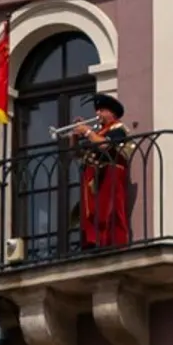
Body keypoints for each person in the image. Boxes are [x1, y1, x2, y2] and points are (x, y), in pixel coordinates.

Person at [68, 94, 132, 249]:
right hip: (94, 180)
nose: (98, 114)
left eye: (102, 110)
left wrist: (87, 132)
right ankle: (93, 243)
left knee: (109, 212)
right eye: (97, 110)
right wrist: (74, 137)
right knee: (92, 215)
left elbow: (105, 145)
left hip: (109, 175)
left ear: (112, 113)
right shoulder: (98, 133)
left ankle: (111, 244)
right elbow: (77, 154)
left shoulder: (118, 128)